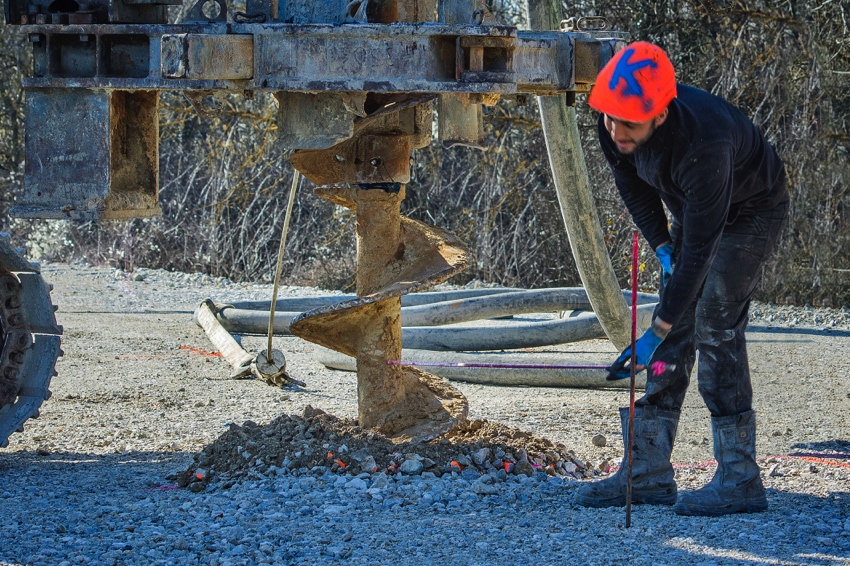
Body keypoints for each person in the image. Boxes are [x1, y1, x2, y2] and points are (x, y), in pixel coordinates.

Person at [573, 41, 789, 516]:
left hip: (751, 211)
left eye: (629, 124)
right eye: (610, 120)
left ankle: (740, 478)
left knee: (713, 321)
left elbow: (703, 251)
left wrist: (656, 330)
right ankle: (646, 469)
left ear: (661, 115)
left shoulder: (704, 143)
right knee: (674, 319)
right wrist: (661, 244)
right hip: (693, 212)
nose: (615, 131)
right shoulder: (615, 115)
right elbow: (629, 180)